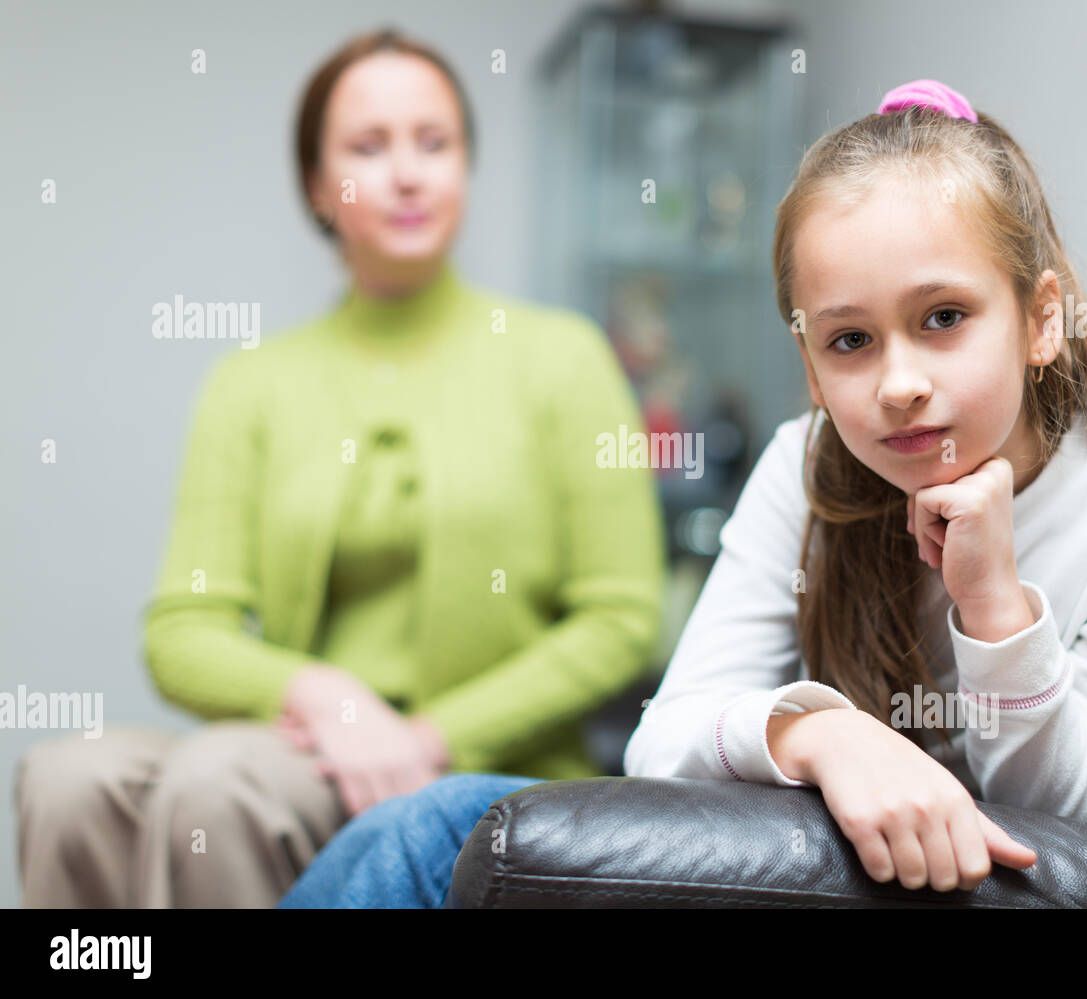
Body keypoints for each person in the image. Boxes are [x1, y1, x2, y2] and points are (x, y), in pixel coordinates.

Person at [276, 79, 1087, 907]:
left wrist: (995, 608)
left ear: (1041, 318)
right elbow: (665, 739)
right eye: (849, 341)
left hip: (963, 885)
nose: (897, 382)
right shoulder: (805, 461)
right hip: (805, 862)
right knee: (424, 832)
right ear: (812, 371)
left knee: (435, 824)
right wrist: (819, 734)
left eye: (944, 318)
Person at [12, 27, 666, 908]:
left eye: (435, 144)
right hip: (302, 750)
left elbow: (621, 618)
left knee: (218, 779)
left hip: (482, 771)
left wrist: (427, 735)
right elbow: (181, 629)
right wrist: (321, 694)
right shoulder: (252, 382)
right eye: (368, 145)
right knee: (68, 775)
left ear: (466, 168)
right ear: (319, 187)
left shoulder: (562, 358)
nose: (407, 172)